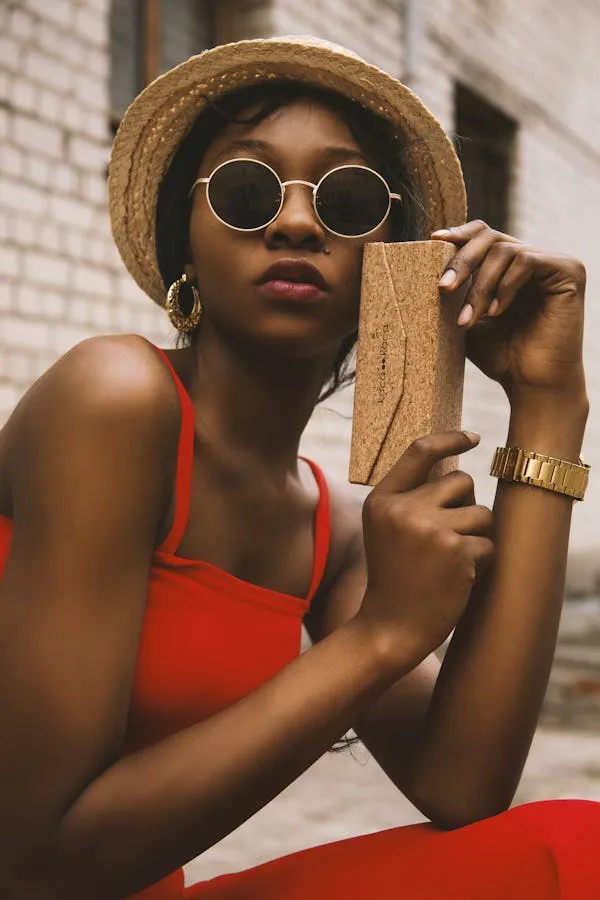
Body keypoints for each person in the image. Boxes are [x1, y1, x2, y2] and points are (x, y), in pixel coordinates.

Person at [0, 36, 596, 900]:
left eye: (348, 200)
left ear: (393, 268)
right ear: (187, 244)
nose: (295, 221)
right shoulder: (115, 397)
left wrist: (551, 403)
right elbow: (33, 867)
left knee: (571, 851)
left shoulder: (332, 532)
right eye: (247, 189)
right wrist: (379, 638)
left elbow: (464, 785)